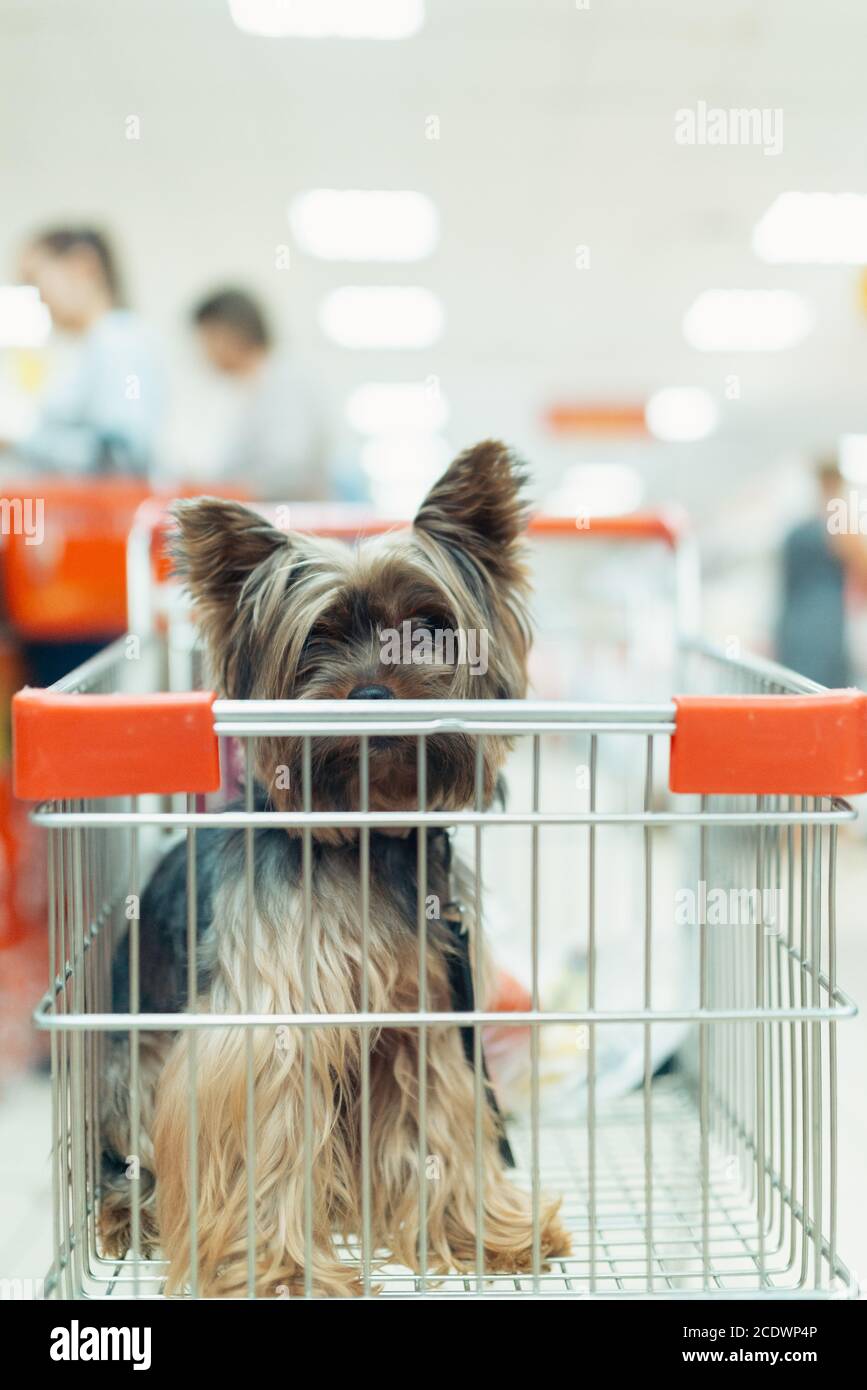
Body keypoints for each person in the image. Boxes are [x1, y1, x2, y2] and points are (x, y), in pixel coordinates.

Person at [5, 226, 164, 475]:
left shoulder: (121, 343)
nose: (37, 298)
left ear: (83, 265)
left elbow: (123, 451)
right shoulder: (96, 348)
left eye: (34, 280)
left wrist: (18, 442)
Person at [191, 287, 327, 500]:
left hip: (288, 522)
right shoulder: (255, 388)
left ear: (230, 334)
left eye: (207, 339)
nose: (203, 353)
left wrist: (223, 495)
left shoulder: (284, 384)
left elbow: (290, 468)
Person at [776, 457, 852, 688]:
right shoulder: (839, 526)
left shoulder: (796, 529)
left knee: (797, 691)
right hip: (823, 628)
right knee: (823, 693)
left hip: (794, 624)